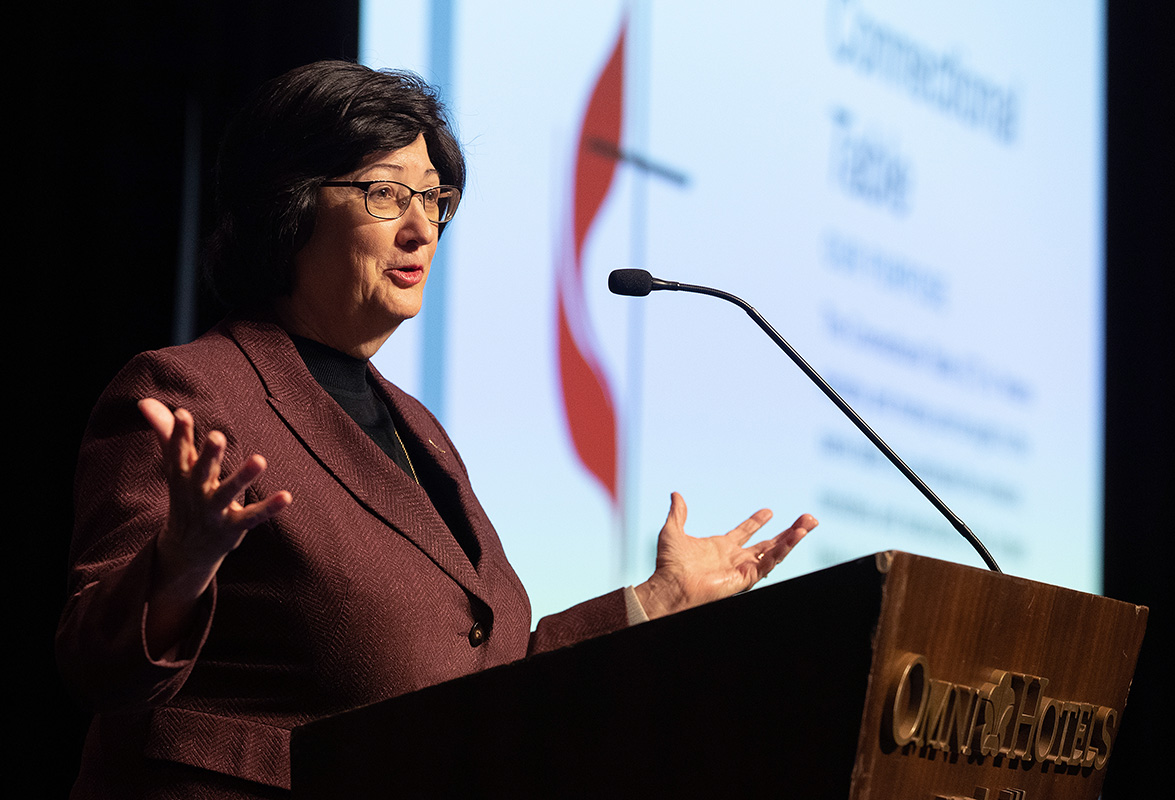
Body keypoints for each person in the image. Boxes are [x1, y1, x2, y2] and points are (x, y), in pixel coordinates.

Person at [57, 60, 817, 799]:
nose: (422, 228)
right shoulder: (190, 391)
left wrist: (656, 602)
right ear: (288, 209)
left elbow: (487, 681)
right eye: (386, 194)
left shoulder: (417, 428)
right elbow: (98, 668)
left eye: (434, 197)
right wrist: (179, 564)